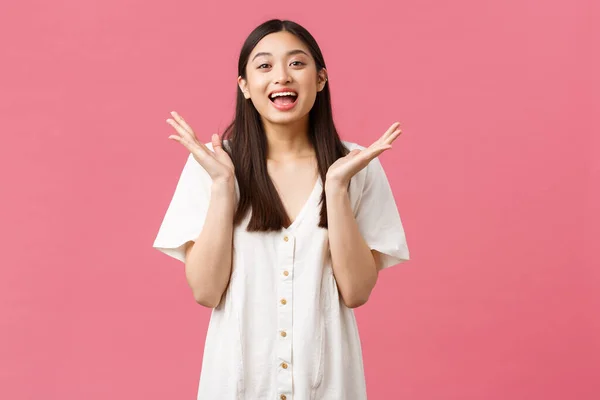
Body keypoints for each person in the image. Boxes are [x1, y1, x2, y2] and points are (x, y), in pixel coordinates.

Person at [153, 18, 410, 400]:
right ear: (244, 86)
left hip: (328, 387)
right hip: (238, 385)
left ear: (321, 79)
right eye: (264, 65)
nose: (282, 77)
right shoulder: (212, 167)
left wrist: (336, 189)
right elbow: (206, 291)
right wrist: (224, 187)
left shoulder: (355, 167)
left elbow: (356, 291)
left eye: (297, 63)